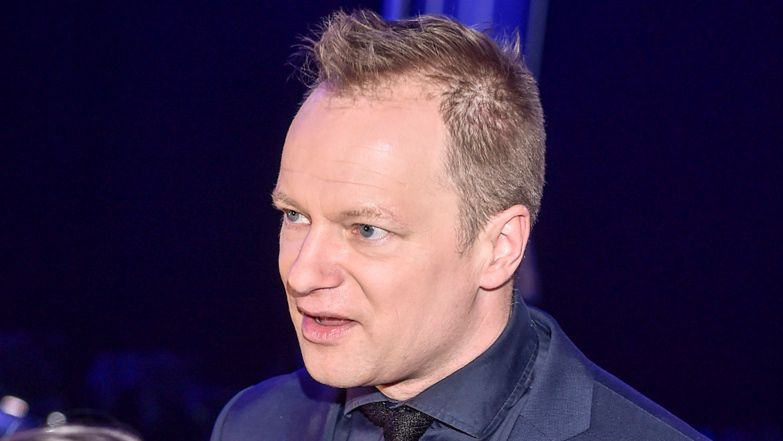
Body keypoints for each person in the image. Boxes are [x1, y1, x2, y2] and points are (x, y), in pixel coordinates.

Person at [211, 9, 708, 441]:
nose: (302, 274)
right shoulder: (252, 424)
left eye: (366, 230)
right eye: (295, 216)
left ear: (499, 247)